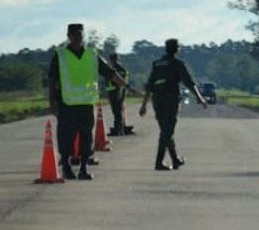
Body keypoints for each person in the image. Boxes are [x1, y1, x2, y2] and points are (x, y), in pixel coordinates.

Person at [48, 23, 141, 180]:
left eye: (80, 34)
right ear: (68, 36)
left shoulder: (92, 55)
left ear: (83, 36)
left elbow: (110, 73)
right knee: (66, 137)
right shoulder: (60, 55)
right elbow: (52, 79)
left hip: (86, 102)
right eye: (74, 35)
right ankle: (67, 167)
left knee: (87, 137)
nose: (78, 38)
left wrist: (127, 87)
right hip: (67, 103)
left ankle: (84, 167)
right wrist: (52, 101)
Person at [139, 38, 208, 170]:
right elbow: (189, 82)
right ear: (177, 49)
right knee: (167, 131)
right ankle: (158, 162)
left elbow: (149, 86)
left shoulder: (157, 64)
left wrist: (143, 105)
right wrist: (200, 97)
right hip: (170, 100)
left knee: (166, 130)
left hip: (157, 100)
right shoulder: (178, 64)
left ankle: (175, 160)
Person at [106, 53, 129, 136]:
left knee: (117, 110)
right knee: (116, 110)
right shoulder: (111, 68)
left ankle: (118, 129)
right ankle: (119, 127)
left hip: (117, 91)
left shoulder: (120, 69)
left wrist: (119, 92)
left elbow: (121, 82)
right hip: (112, 91)